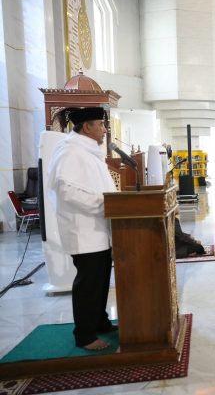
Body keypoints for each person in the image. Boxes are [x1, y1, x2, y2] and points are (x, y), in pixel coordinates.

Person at [48, 107, 118, 350]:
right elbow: (67, 190)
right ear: (87, 127)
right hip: (84, 229)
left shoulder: (87, 152)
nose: (104, 129)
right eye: (100, 124)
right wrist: (105, 204)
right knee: (88, 283)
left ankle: (100, 322)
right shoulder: (71, 151)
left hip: (98, 230)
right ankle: (85, 336)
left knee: (100, 280)